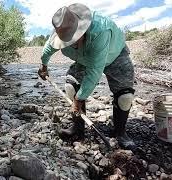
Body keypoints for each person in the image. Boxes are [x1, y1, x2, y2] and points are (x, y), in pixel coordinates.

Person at [37, 3, 136, 150]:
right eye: (68, 41)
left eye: (74, 38)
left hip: (115, 54)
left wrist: (78, 99)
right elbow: (47, 50)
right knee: (71, 88)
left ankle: (120, 133)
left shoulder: (101, 30)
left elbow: (94, 72)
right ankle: (78, 130)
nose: (72, 44)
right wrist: (44, 66)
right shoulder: (60, 30)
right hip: (86, 59)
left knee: (125, 97)